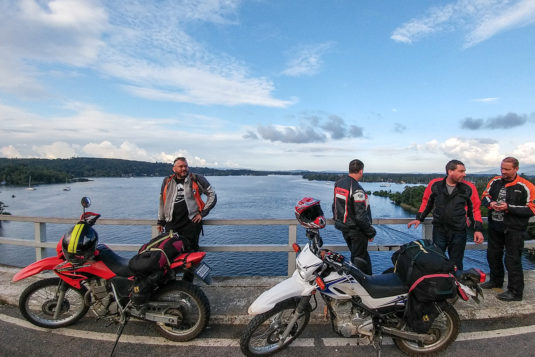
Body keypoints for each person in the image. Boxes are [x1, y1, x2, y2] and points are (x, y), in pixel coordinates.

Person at [407, 160, 484, 270]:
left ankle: (455, 284)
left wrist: (478, 229)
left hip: (459, 231)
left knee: (456, 262)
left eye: (464, 171)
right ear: (450, 171)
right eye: (461, 171)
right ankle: (439, 284)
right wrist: (419, 218)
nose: (464, 174)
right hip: (439, 229)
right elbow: (427, 202)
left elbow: (475, 210)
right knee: (437, 258)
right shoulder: (435, 185)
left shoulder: (468, 188)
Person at [480, 157, 535, 301]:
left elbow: (532, 208)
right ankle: (495, 281)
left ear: (516, 169)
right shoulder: (495, 181)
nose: (503, 172)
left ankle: (515, 292)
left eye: (507, 169)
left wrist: (508, 207)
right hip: (495, 226)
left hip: (514, 229)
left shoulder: (526, 186)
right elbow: (484, 196)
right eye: (502, 168)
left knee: (512, 260)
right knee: (493, 255)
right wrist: (491, 204)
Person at [157, 157, 217, 252]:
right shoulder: (167, 181)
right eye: (181, 166)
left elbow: (212, 195)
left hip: (191, 223)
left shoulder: (196, 179)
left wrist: (202, 213)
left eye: (186, 166)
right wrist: (161, 221)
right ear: (174, 168)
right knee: (170, 251)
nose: (184, 168)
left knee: (190, 251)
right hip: (172, 223)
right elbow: (162, 201)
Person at [332, 159, 376, 274]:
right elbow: (361, 216)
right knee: (361, 261)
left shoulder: (339, 183)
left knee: (355, 257)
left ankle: (356, 285)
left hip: (344, 228)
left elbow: (334, 205)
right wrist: (370, 232)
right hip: (356, 231)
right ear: (361, 171)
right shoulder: (357, 189)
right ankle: (363, 288)